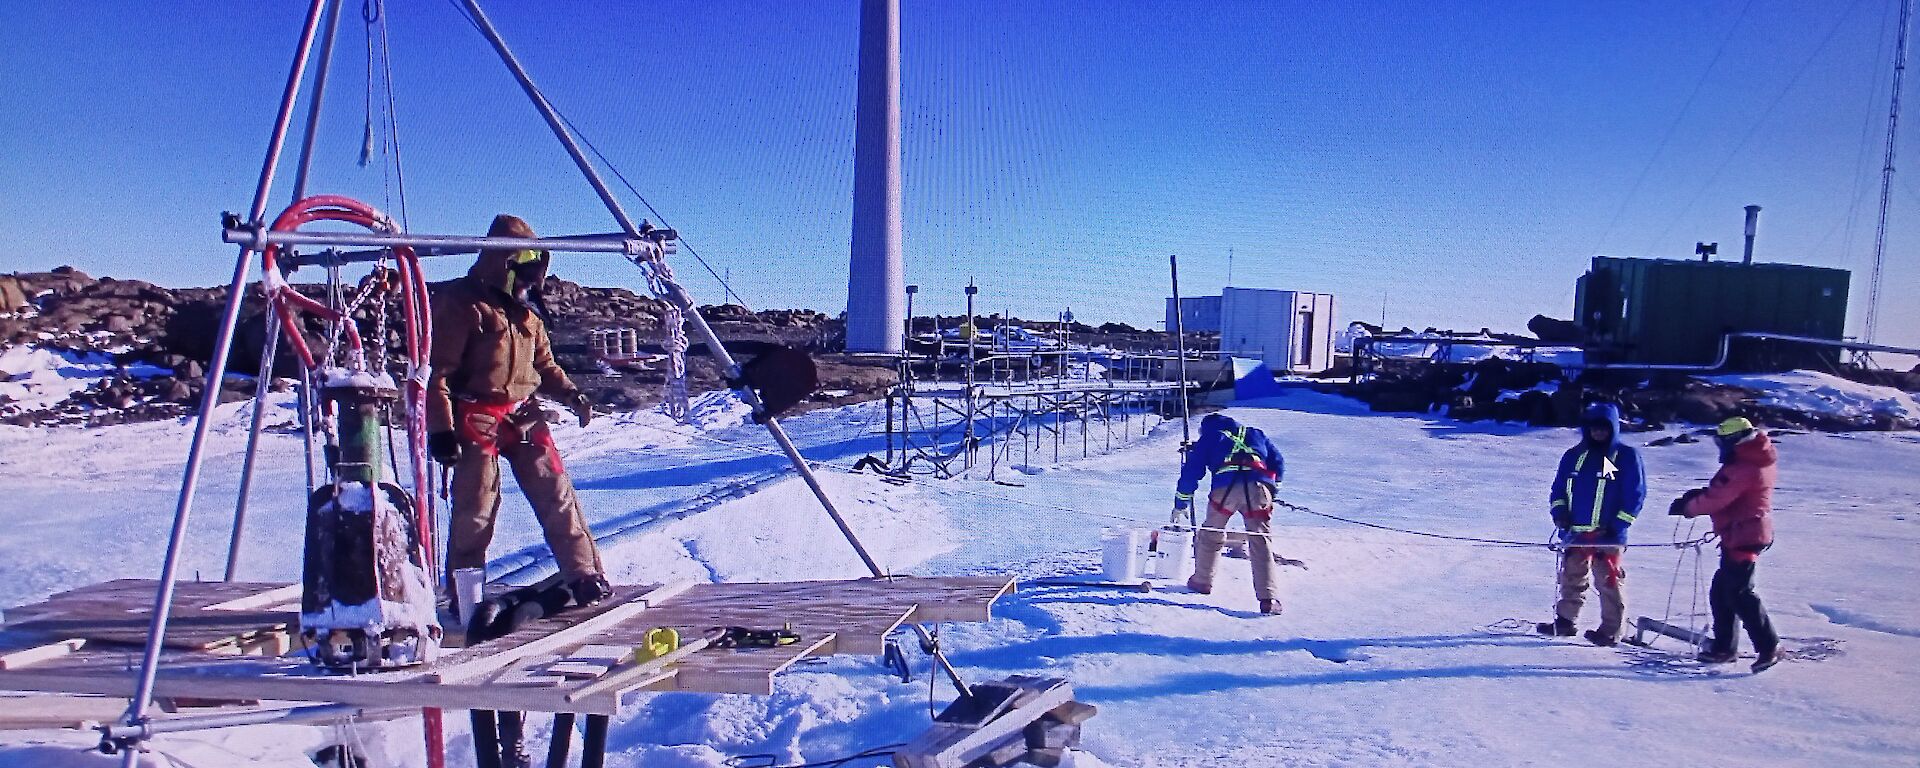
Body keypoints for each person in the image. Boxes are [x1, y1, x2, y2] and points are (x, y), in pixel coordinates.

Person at [427, 214, 609, 607]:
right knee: (477, 508)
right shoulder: (461, 304)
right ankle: (466, 594)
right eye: (525, 276)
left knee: (557, 494)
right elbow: (437, 374)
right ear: (504, 264)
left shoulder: (528, 316)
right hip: (477, 414)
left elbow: (545, 367)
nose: (531, 286)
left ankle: (585, 575)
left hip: (525, 414)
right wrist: (440, 430)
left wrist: (573, 395)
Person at [1676, 416, 1784, 672]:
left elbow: (1719, 497)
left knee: (1739, 592)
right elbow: (1726, 494)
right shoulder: (1753, 459)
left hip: (1745, 535)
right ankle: (1725, 648)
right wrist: (1700, 495)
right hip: (1741, 533)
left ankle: (1770, 646)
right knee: (1722, 591)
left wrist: (1689, 507)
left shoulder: (1745, 465)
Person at [1538, 402, 1646, 646]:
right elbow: (1558, 490)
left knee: (1608, 581)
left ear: (1613, 429)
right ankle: (1566, 620)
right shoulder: (1574, 457)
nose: (1598, 433)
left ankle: (1611, 630)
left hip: (1608, 535)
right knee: (1571, 577)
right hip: (1576, 533)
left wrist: (1617, 526)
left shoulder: (1625, 457)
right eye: (1593, 428)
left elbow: (1635, 496)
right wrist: (1560, 514)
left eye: (1603, 428)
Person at [1172, 413, 1286, 615]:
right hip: (1258, 487)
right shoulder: (1255, 433)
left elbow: (1192, 471)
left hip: (1225, 491)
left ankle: (1202, 580)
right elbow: (1278, 461)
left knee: (1211, 533)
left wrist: (1181, 501)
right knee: (1260, 540)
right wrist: (1273, 489)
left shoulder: (1210, 437)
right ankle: (1268, 598)